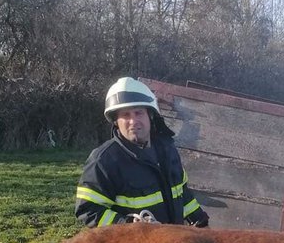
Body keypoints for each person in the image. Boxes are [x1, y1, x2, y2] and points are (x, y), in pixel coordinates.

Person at [75, 77, 209, 228]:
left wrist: (199, 221)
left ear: (150, 115)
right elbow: (88, 209)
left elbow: (182, 193)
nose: (133, 121)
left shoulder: (167, 150)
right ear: (115, 121)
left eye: (138, 113)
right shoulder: (103, 161)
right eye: (125, 115)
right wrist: (129, 226)